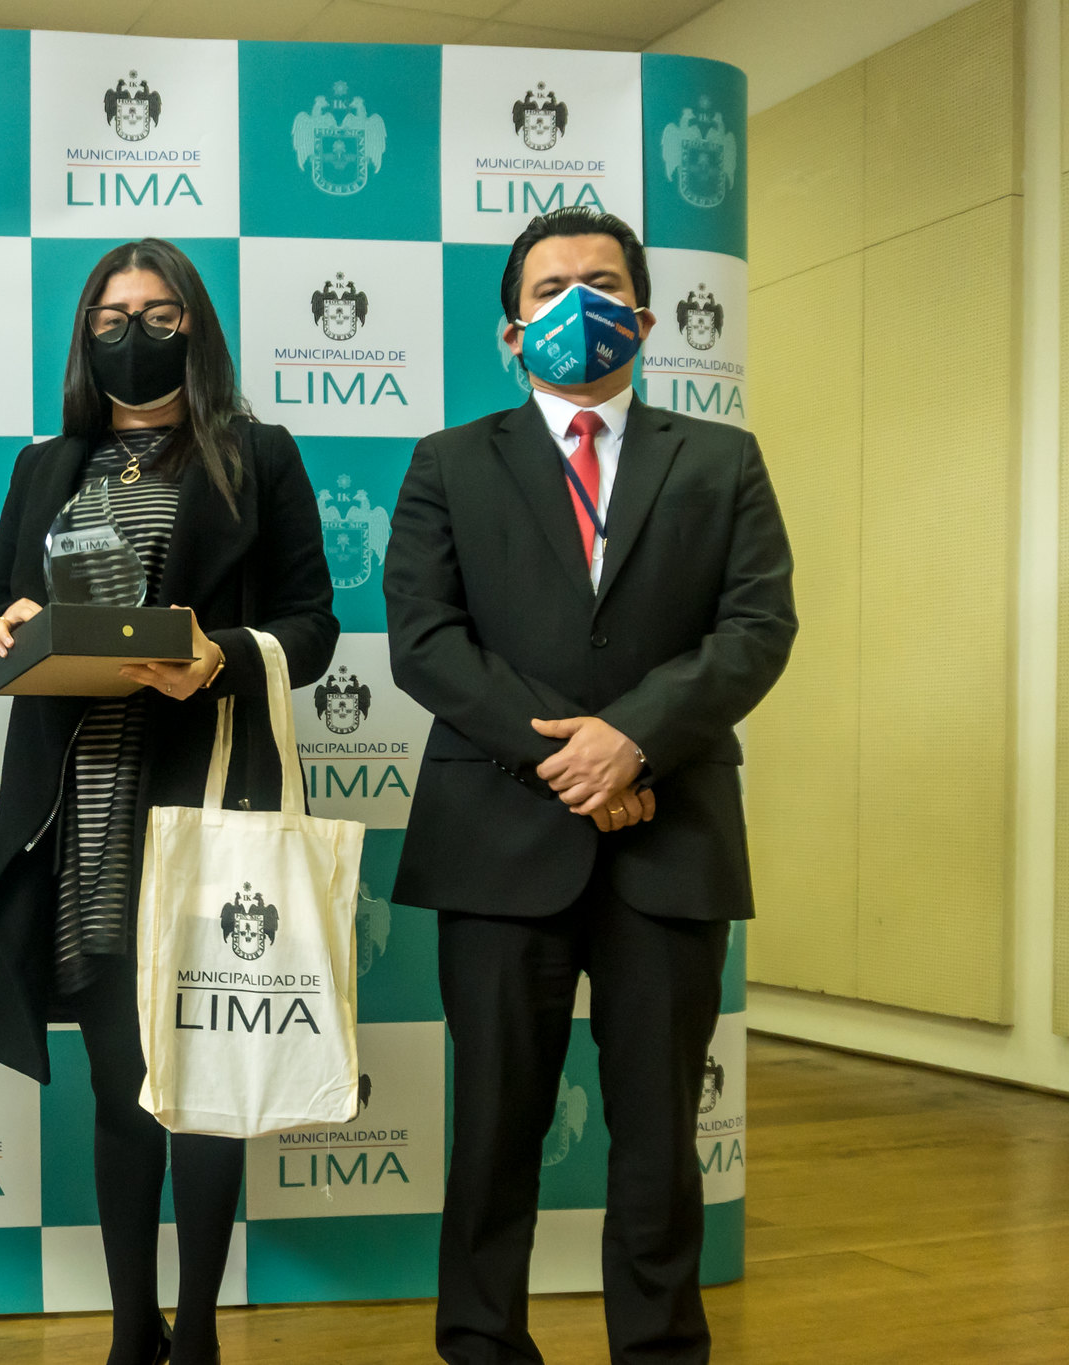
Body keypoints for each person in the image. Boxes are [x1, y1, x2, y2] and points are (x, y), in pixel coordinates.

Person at [383, 205, 795, 1365]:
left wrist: (633, 741)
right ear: (510, 331)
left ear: (646, 318)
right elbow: (424, 641)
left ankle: (658, 1351)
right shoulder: (446, 462)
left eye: (602, 284)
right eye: (548, 288)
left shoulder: (718, 459)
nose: (577, 305)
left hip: (671, 839)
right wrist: (574, 757)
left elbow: (756, 628)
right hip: (495, 839)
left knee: (660, 1140)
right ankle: (479, 1347)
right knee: (492, 1132)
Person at [0, 238, 338, 1365]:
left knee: (204, 1080)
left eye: (160, 313)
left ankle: (200, 1332)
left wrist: (218, 656)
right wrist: (4, 629)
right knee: (121, 1085)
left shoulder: (256, 455)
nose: (134, 332)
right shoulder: (45, 465)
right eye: (111, 315)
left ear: (196, 329)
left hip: (208, 800)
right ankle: (132, 1330)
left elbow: (314, 626)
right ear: (85, 336)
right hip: (82, 811)